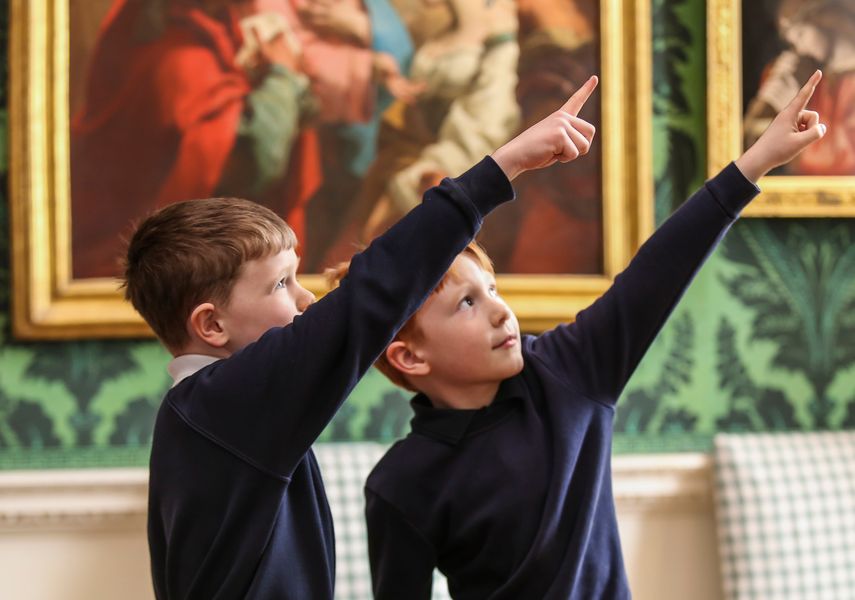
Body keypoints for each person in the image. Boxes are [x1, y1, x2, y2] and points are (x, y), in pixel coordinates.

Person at [334, 71, 826, 599]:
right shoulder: (400, 484)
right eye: (468, 304)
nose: (502, 313)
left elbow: (655, 273)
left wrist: (754, 164)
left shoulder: (565, 374)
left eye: (494, 289)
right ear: (410, 357)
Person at [122, 77, 599, 598]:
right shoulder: (226, 405)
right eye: (282, 284)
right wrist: (506, 165)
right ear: (211, 325)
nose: (306, 301)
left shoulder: (203, 416)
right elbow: (372, 293)